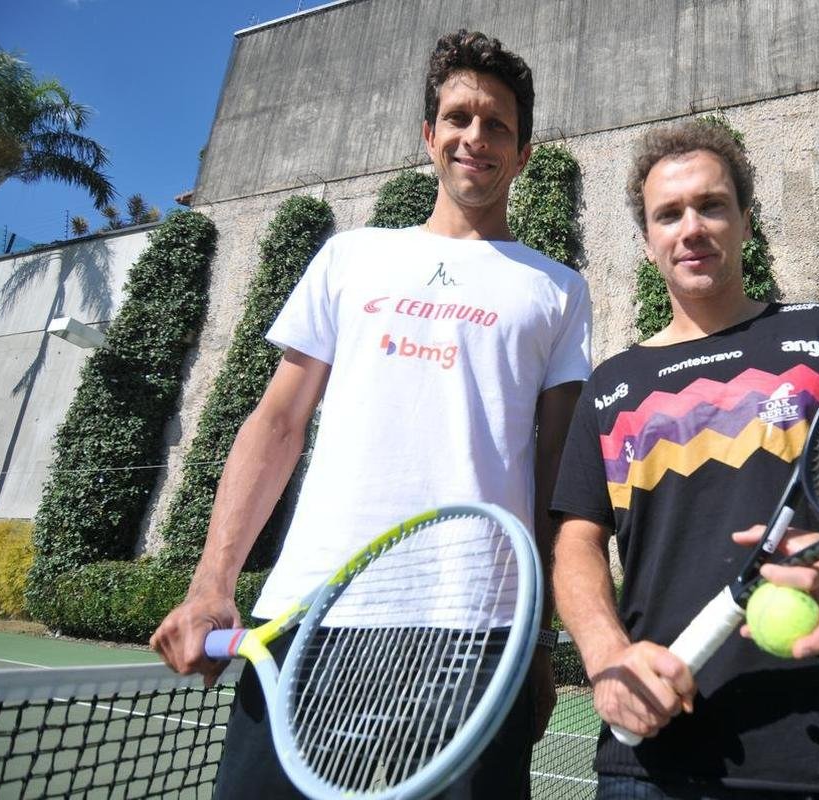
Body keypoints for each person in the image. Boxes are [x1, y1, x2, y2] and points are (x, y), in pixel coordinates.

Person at [151, 29, 592, 799]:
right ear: (428, 136)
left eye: (498, 126)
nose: (475, 138)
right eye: (458, 118)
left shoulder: (558, 289)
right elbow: (277, 424)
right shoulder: (349, 257)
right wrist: (209, 583)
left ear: (522, 154)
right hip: (311, 613)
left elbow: (557, 470)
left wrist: (543, 642)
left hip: (478, 630)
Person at [551, 121, 819, 799]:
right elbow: (576, 543)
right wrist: (606, 659)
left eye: (711, 205)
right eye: (668, 214)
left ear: (745, 222)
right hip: (653, 760)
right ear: (646, 241)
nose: (690, 227)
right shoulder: (609, 388)